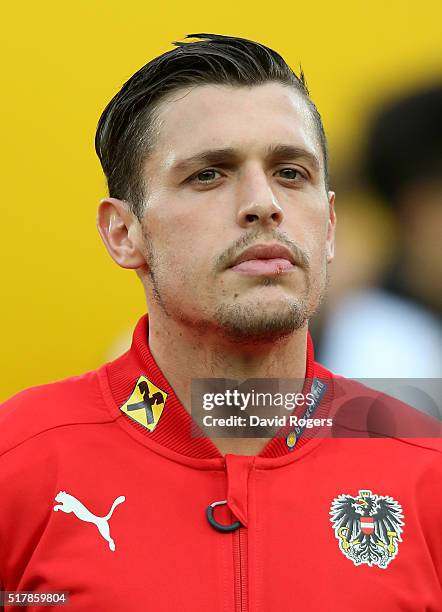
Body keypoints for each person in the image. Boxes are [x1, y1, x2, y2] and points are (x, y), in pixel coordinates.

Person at [0, 34, 440, 611]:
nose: (264, 203)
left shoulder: (424, 469)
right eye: (208, 175)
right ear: (122, 232)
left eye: (290, 172)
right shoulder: (19, 461)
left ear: (329, 226)